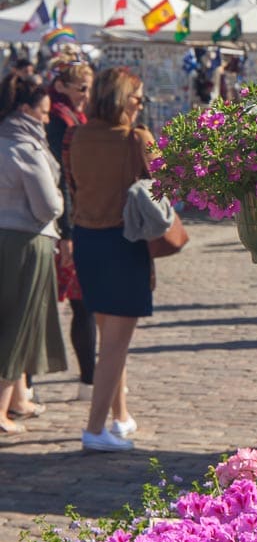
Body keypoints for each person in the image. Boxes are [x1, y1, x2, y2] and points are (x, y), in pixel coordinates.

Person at [66, 66, 155, 452]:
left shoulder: (75, 135)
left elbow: (72, 183)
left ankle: (119, 417)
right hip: (123, 240)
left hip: (87, 238)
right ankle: (95, 429)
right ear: (124, 100)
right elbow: (167, 183)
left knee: (110, 336)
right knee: (116, 345)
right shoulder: (136, 139)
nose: (141, 104)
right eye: (138, 97)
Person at [0, 74, 67, 433]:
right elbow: (48, 205)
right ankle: (1, 409)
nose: (46, 120)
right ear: (25, 109)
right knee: (19, 322)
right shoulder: (25, 146)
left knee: (19, 320)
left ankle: (19, 397)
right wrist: (58, 199)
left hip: (8, 236)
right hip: (27, 240)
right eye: (42, 113)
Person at [46, 61, 97, 401]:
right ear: (62, 86)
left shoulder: (77, 118)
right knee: (53, 304)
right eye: (81, 88)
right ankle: (25, 385)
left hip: (76, 218)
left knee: (83, 302)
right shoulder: (58, 120)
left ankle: (87, 381)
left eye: (88, 88)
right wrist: (66, 231)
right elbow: (60, 178)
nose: (86, 95)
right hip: (64, 224)